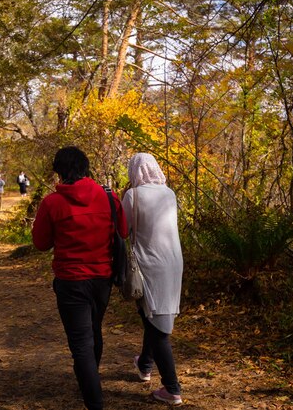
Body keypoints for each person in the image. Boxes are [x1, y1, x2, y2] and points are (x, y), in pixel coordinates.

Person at [32, 146, 127, 410]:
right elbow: (124, 231)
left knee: (81, 342)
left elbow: (41, 243)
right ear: (86, 167)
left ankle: (94, 401)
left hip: (71, 281)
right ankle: (89, 380)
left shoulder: (52, 203)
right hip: (102, 279)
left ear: (59, 171)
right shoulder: (109, 197)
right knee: (94, 330)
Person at [122, 153, 183, 406]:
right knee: (154, 317)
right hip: (173, 262)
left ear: (134, 171)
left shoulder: (133, 196)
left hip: (148, 265)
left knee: (157, 328)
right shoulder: (169, 193)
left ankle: (172, 389)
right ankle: (145, 365)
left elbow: (123, 230)